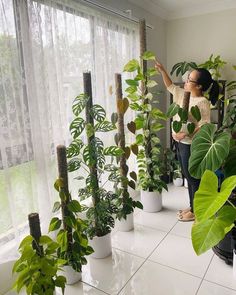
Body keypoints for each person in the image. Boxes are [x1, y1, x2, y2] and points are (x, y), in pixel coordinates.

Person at [155, 61, 219, 221]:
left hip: (191, 146)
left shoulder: (202, 102)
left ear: (198, 86)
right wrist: (162, 70)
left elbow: (204, 124)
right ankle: (192, 206)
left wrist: (185, 134)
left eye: (189, 79)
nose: (185, 81)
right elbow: (170, 86)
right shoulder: (182, 94)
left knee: (192, 178)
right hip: (181, 144)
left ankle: (196, 211)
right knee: (187, 176)